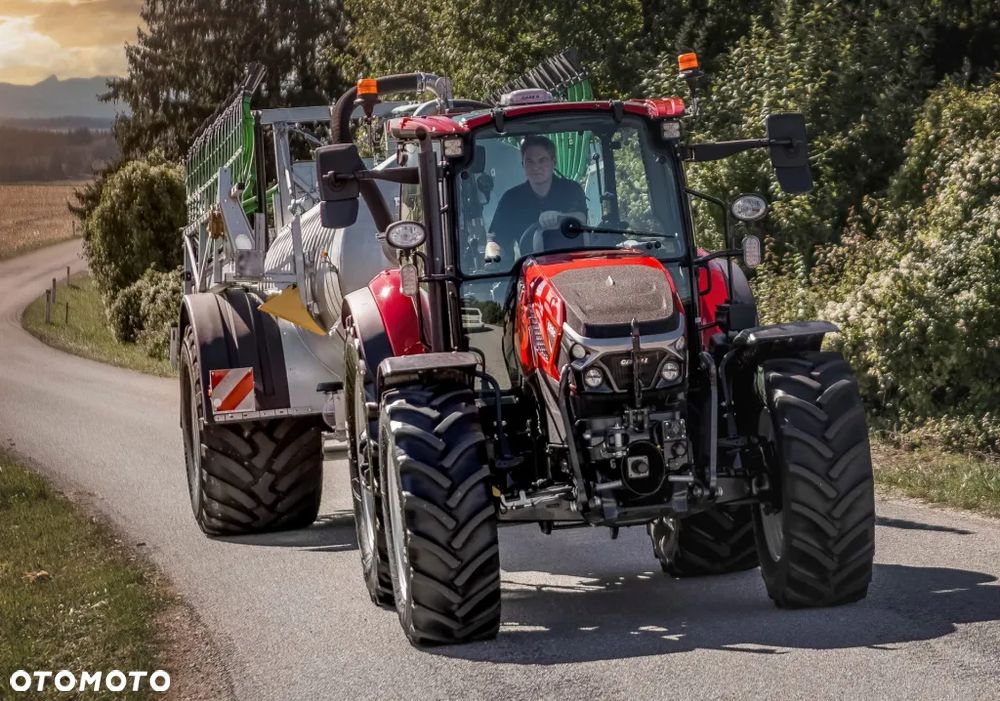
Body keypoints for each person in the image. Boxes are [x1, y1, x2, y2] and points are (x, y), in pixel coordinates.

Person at [485, 135, 588, 264]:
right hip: (531, 273)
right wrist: (492, 256)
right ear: (523, 164)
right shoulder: (511, 199)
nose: (536, 167)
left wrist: (560, 216)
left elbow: (581, 218)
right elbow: (495, 240)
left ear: (553, 162)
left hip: (575, 266)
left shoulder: (571, 189)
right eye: (530, 161)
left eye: (542, 160)